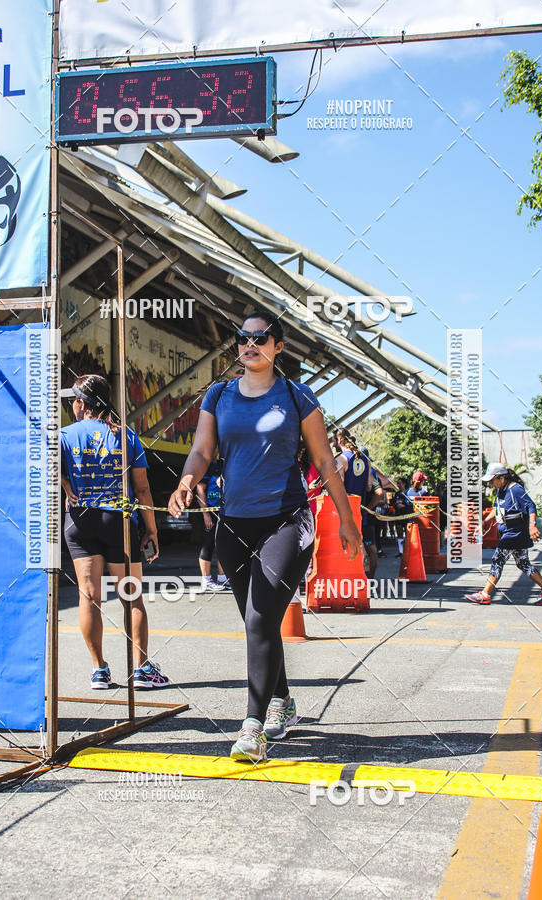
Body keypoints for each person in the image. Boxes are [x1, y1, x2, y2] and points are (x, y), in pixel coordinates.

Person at [168, 309, 361, 762]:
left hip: (287, 521)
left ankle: (252, 727)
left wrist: (346, 520)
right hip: (234, 525)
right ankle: (283, 701)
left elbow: (325, 461)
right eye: (242, 337)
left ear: (278, 346)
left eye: (260, 337)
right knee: (261, 621)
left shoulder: (296, 395)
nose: (249, 344)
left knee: (259, 619)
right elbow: (202, 449)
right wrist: (186, 481)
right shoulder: (218, 395)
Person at [61, 374, 170, 690]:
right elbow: (143, 488)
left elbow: (43, 467)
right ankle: (141, 670)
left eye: (73, 400)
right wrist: (152, 530)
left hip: (79, 520)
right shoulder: (126, 436)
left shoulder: (64, 435)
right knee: (131, 596)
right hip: (118, 520)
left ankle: (99, 670)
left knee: (89, 596)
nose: (71, 406)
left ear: (82, 403)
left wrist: (66, 484)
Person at [465, 462, 542, 606]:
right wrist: (484, 522)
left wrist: (532, 525)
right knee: (523, 563)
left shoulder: (515, 489)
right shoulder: (501, 490)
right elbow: (497, 509)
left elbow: (531, 506)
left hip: (514, 534)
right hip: (510, 533)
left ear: (501, 478)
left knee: (497, 560)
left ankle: (485, 595)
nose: (490, 483)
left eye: (492, 480)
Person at [334, 431, 383, 576]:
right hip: (360, 511)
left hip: (343, 512)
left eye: (334, 441)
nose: (333, 444)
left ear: (340, 441)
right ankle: (364, 579)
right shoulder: (364, 460)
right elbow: (369, 486)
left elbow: (338, 485)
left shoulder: (341, 459)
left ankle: (349, 579)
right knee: (363, 547)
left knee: (345, 548)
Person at [195, 460, 229, 591]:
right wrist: (206, 514)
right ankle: (206, 580)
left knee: (223, 544)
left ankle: (222, 578)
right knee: (208, 543)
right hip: (210, 510)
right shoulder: (205, 465)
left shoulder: (222, 463)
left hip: (224, 510)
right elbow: (200, 489)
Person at [390, 476, 414, 556]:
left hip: (407, 516)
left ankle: (409, 551)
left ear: (404, 484)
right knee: (399, 532)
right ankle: (401, 552)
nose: (398, 485)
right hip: (398, 516)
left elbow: (413, 505)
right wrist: (396, 504)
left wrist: (404, 506)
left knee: (408, 533)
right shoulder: (397, 493)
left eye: (400, 483)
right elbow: (392, 503)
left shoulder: (409, 492)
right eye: (398, 483)